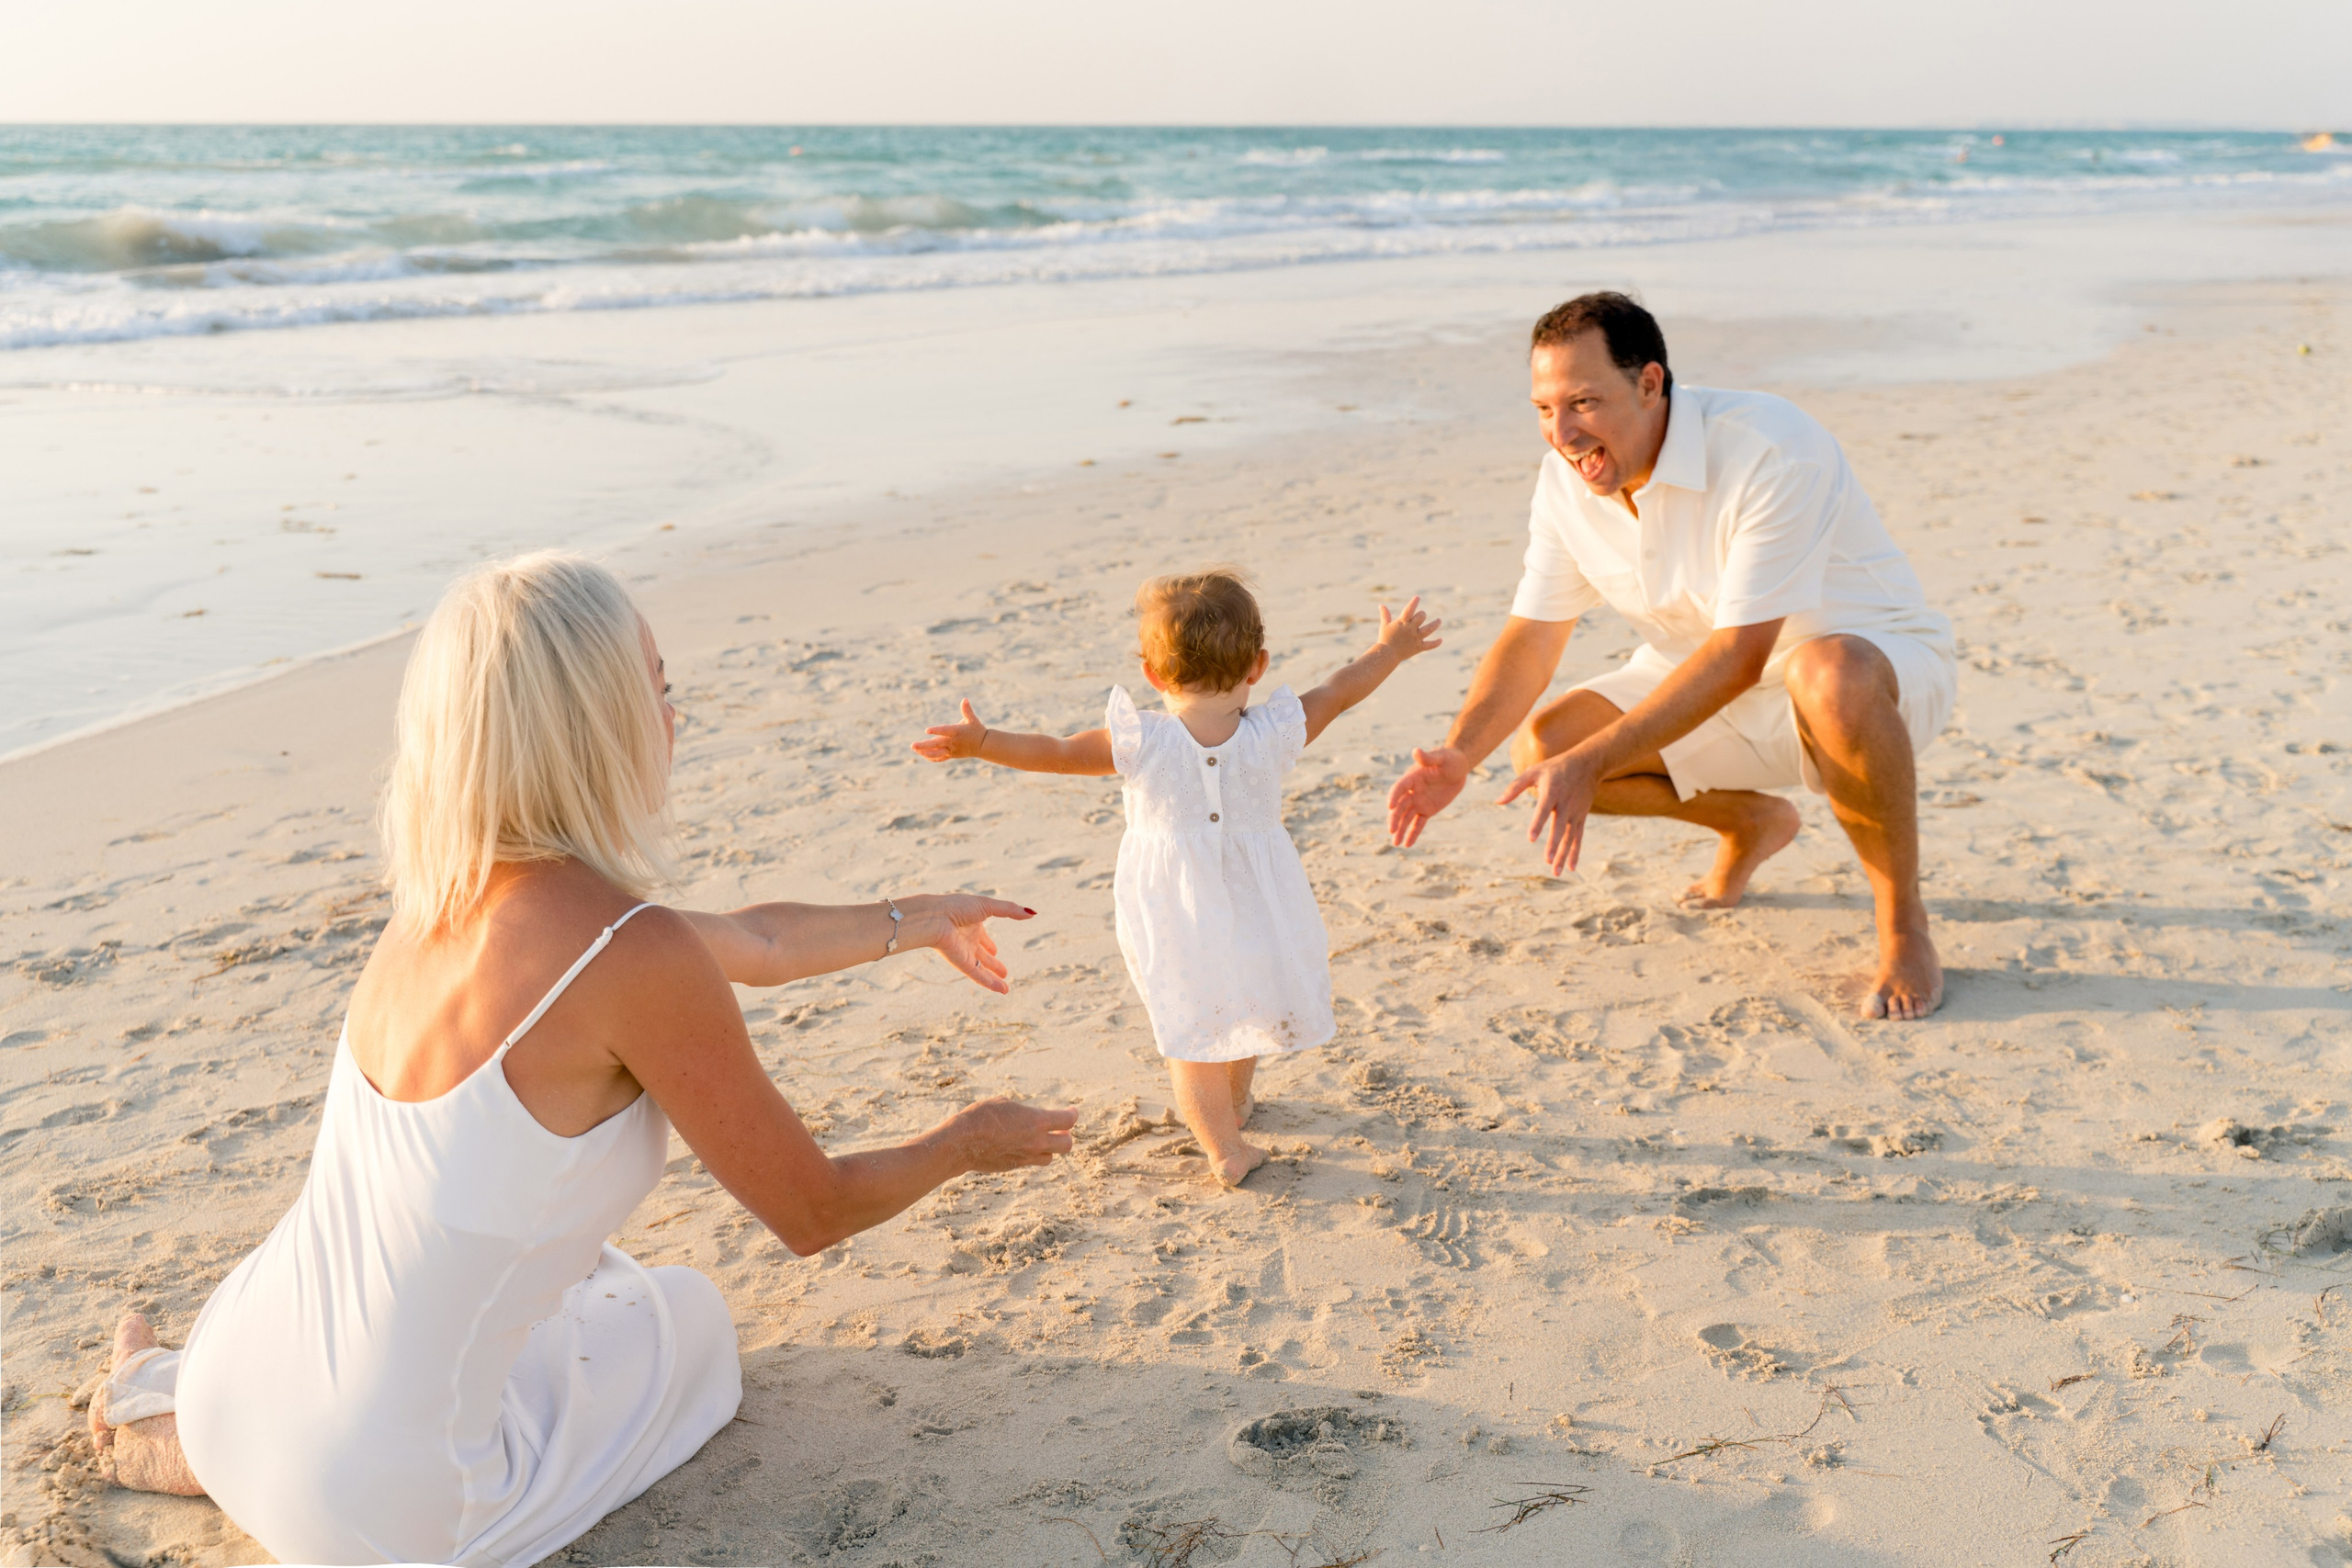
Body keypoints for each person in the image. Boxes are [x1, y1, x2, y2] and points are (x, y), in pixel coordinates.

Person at [87, 551, 1076, 1564]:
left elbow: (758, 942)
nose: (672, 717)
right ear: (594, 727)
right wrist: (969, 1142)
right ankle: (234, 1450)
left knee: (538, 1279)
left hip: (232, 1380)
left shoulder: (436, 897)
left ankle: (167, 1420)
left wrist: (922, 919)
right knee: (686, 1322)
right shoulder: (629, 951)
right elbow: (812, 1213)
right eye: (657, 690)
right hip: (388, 1513)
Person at [1386, 293, 1956, 1020]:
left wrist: (1593, 766)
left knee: (1828, 670)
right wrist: (1461, 752)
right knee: (1549, 743)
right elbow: (1532, 635)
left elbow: (1743, 654)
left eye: (1584, 401)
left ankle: (1904, 924)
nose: (1560, 432)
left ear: (1650, 383)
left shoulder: (1768, 447)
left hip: (1871, 674)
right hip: (1703, 673)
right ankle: (1750, 822)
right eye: (1542, 408)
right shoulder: (1567, 480)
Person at [911, 570, 1442, 1184]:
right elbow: (1342, 689)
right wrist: (1392, 648)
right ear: (1258, 666)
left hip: (1173, 910)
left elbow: (1055, 751)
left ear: (1155, 675)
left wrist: (982, 742)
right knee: (1246, 999)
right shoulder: (1274, 732)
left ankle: (1224, 1139)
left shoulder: (1143, 742)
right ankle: (1230, 1120)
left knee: (1193, 1026)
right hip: (1259, 903)